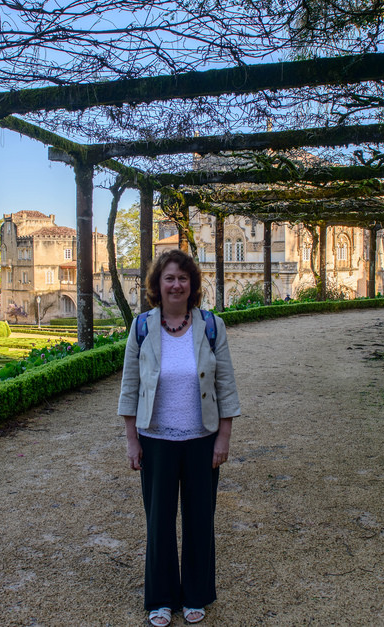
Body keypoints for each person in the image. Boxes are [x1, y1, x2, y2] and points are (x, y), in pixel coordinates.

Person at [119, 249, 240, 626]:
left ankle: (195, 595)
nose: (176, 285)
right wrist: (131, 440)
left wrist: (223, 438)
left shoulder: (211, 326)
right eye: (169, 278)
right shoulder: (141, 327)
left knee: (200, 519)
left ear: (192, 285)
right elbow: (129, 387)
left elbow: (225, 386)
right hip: (154, 438)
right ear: (158, 285)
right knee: (159, 521)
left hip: (201, 438)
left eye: (183, 279)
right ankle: (160, 598)